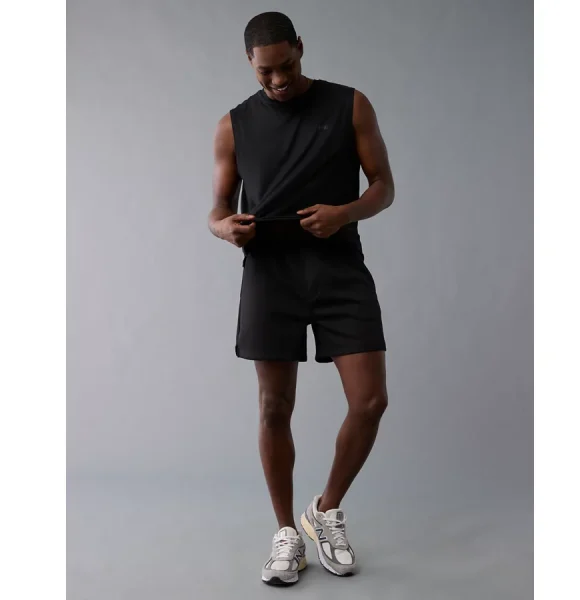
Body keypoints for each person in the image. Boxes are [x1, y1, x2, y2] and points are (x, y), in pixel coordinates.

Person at [208, 11, 394, 587]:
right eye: (265, 72)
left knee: (370, 401)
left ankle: (325, 510)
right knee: (273, 407)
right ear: (250, 63)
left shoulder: (350, 104)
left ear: (300, 49)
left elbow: (384, 186)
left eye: (286, 66)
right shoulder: (233, 125)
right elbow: (217, 209)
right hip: (270, 275)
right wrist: (224, 228)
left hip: (339, 269)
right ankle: (287, 532)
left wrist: (345, 213)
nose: (278, 80)